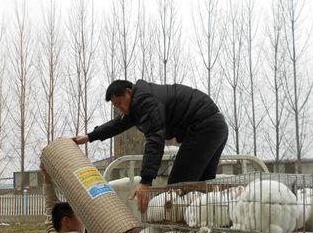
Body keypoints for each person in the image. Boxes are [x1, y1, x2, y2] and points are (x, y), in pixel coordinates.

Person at [72, 79, 229, 213]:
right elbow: (117, 125)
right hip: (216, 126)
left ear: (129, 92)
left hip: (204, 128)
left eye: (120, 103)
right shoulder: (137, 104)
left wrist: (145, 181)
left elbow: (155, 138)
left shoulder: (145, 101)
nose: (119, 108)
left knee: (176, 191)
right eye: (116, 106)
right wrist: (90, 136)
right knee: (200, 189)